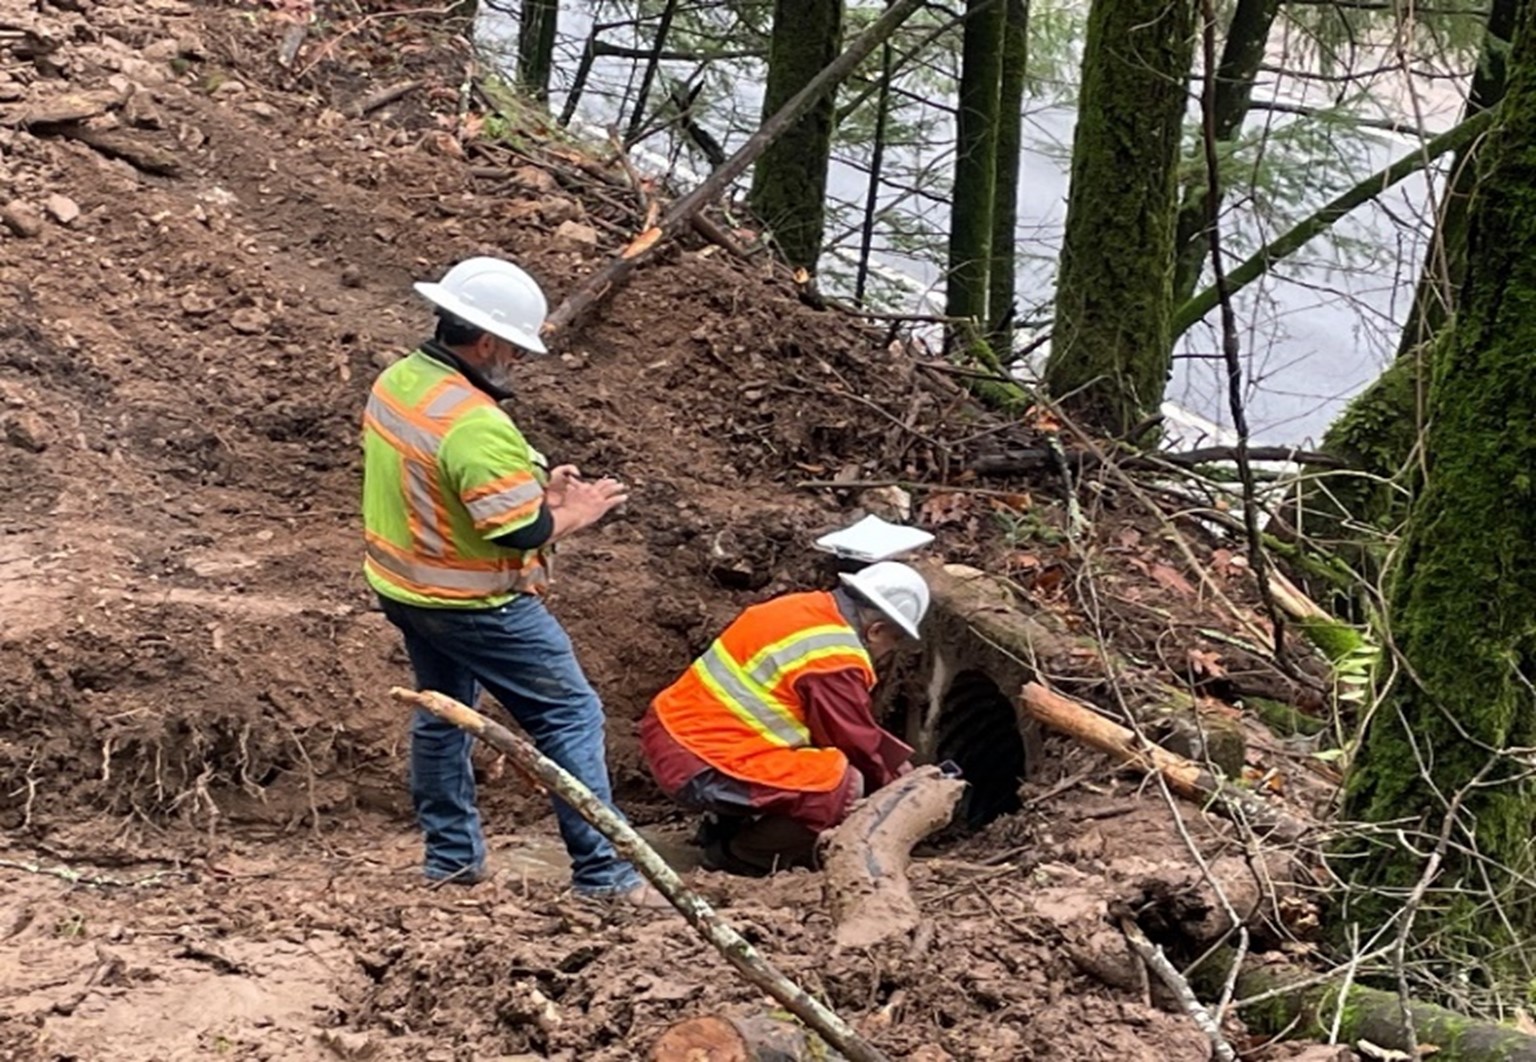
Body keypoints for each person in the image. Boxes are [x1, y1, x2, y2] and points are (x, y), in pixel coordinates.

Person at [362, 255, 663, 907]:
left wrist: (534, 493)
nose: (518, 364)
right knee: (570, 714)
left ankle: (451, 861)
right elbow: (514, 531)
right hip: (474, 601)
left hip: (404, 588)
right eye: (516, 351)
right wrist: (566, 513)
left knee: (443, 713)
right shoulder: (476, 423)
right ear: (489, 341)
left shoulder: (402, 382)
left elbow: (439, 486)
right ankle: (605, 877)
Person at [640, 561, 930, 875]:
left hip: (677, 734)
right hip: (702, 760)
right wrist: (897, 795)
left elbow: (839, 726)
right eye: (895, 640)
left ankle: (723, 832)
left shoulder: (803, 608)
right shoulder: (834, 659)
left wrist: (891, 761)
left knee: (805, 765)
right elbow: (852, 743)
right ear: (876, 631)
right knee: (838, 786)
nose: (892, 650)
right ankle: (738, 856)